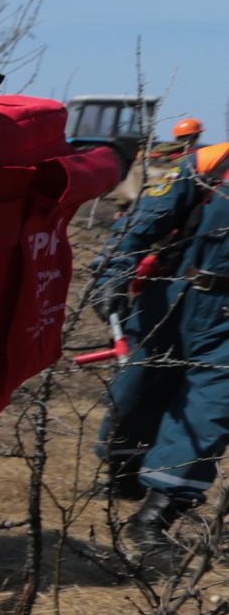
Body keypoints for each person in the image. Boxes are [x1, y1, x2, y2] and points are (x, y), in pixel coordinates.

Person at [92, 139, 229, 557]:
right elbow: (144, 221)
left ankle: (156, 516)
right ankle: (125, 470)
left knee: (211, 411)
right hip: (171, 299)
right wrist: (113, 274)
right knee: (135, 394)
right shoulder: (211, 162)